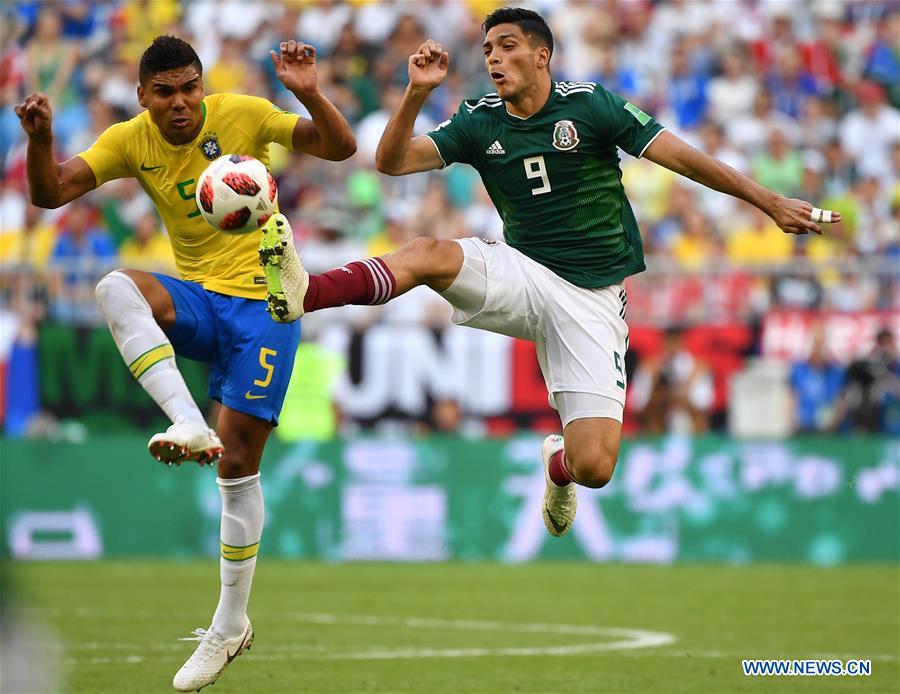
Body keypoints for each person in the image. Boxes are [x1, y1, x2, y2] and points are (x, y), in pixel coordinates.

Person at [257, 7, 839, 540]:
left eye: (507, 46)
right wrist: (416, 92)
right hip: (524, 272)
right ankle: (308, 290)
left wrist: (769, 202)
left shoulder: (591, 106)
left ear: (542, 55)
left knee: (595, 466)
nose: (493, 59)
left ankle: (557, 466)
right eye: (487, 50)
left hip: (592, 297)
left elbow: (684, 157)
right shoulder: (479, 120)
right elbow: (391, 162)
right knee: (427, 252)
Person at [16, 35, 355, 691]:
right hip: (200, 301)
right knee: (115, 286)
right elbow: (51, 192)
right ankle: (186, 421)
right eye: (165, 92)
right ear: (143, 96)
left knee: (238, 462)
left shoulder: (244, 113)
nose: (180, 103)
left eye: (189, 88)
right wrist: (41, 139)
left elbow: (338, 147)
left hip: (266, 302)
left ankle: (229, 626)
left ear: (203, 85)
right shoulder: (130, 140)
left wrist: (310, 92)